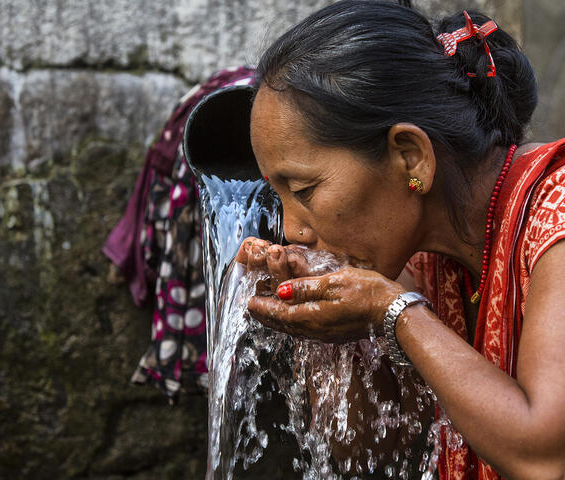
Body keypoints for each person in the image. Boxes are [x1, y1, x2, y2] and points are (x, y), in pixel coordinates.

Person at [235, 1, 565, 479]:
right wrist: (326, 333)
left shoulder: (555, 214)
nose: (292, 229)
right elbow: (370, 452)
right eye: (279, 196)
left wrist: (397, 313)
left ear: (411, 157)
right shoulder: (424, 254)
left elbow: (545, 456)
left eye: (304, 190)